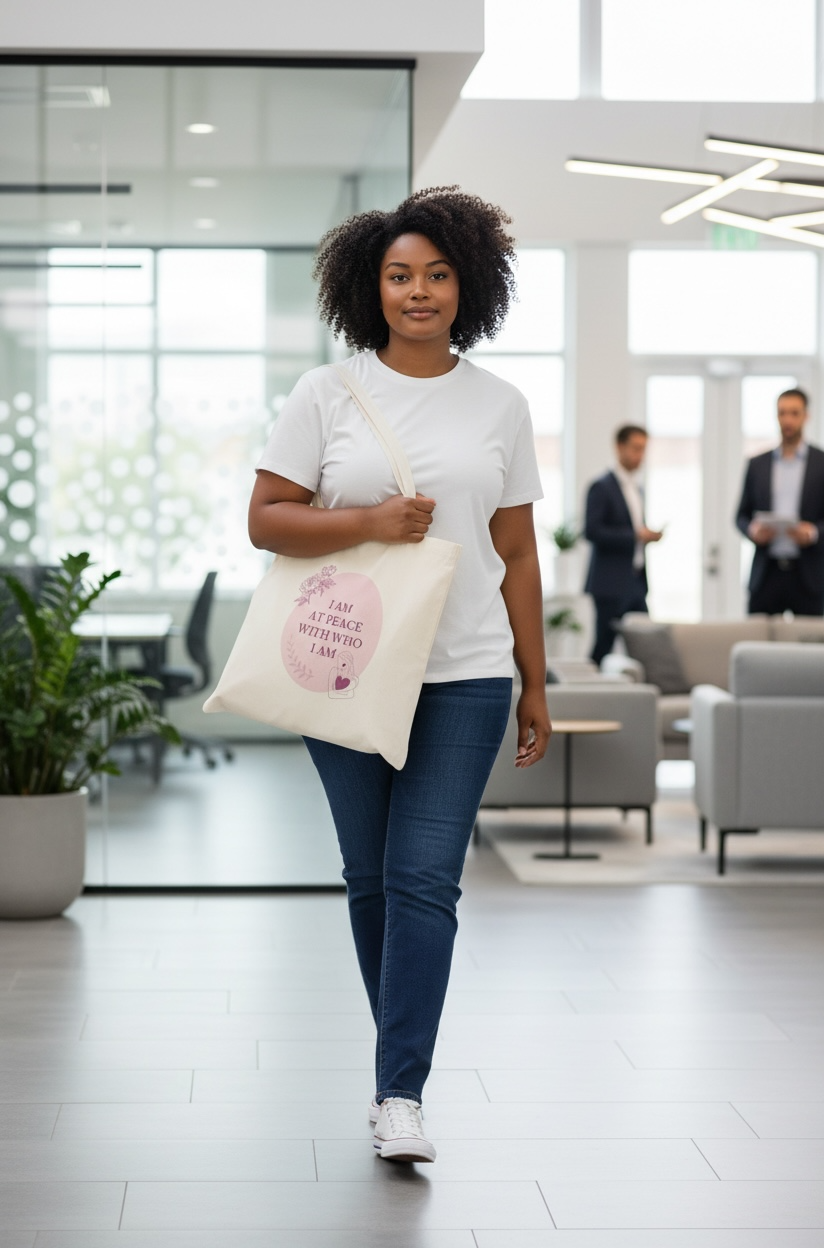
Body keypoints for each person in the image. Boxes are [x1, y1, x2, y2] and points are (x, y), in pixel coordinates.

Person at [248, 186, 551, 1164]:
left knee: (425, 880)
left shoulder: (501, 404)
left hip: (465, 673)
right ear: (368, 287)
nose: (418, 291)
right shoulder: (325, 394)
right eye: (398, 276)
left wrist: (536, 682)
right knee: (372, 881)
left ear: (469, 284)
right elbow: (266, 519)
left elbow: (518, 552)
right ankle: (400, 1067)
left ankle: (398, 1092)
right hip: (343, 666)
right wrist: (369, 523)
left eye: (436, 274)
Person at [736, 388, 824, 617]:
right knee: (759, 645)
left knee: (808, 647)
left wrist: (814, 533)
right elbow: (741, 515)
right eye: (782, 413)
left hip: (809, 574)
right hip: (767, 572)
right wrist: (752, 530)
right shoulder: (757, 464)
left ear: (805, 416)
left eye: (794, 413)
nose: (787, 420)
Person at [583, 424, 663, 665]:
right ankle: (590, 696)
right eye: (636, 448)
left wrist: (647, 536)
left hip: (636, 580)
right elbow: (592, 531)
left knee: (646, 644)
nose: (640, 455)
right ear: (620, 447)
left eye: (643, 449)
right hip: (609, 583)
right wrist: (636, 536)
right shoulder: (601, 486)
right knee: (603, 646)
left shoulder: (638, 488)